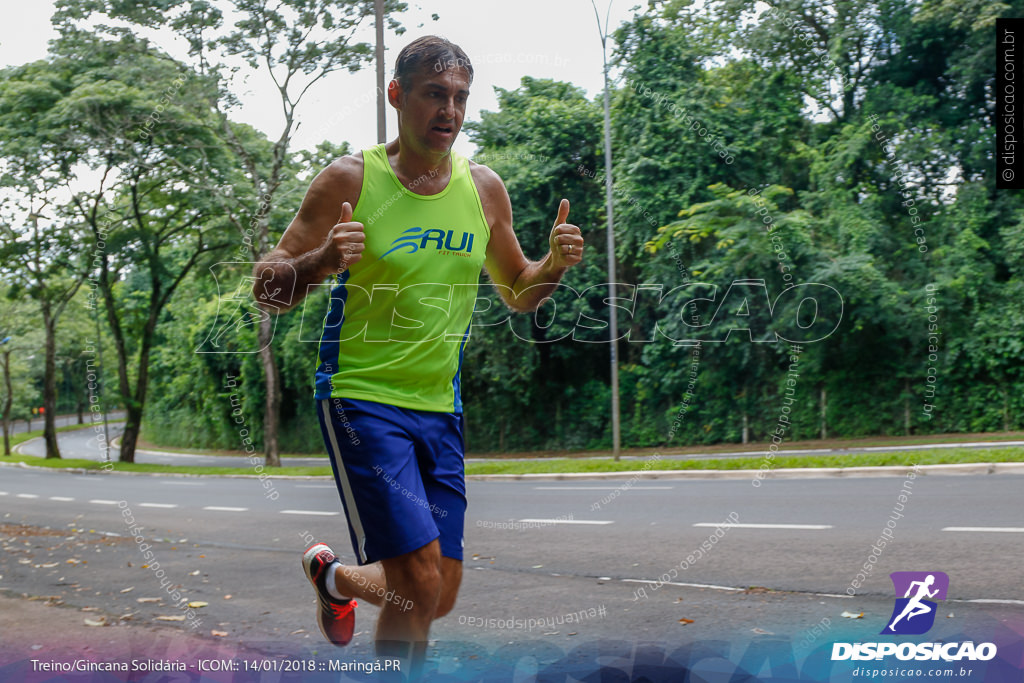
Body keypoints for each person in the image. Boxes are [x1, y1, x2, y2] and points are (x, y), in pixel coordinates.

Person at [251, 35, 584, 670]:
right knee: (419, 585)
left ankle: (334, 580)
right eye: (435, 94)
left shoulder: (483, 189)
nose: (449, 111)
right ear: (397, 96)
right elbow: (267, 286)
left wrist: (555, 266)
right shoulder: (352, 179)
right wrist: (324, 259)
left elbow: (518, 290)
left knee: (438, 592)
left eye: (459, 97)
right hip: (360, 396)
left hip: (439, 405)